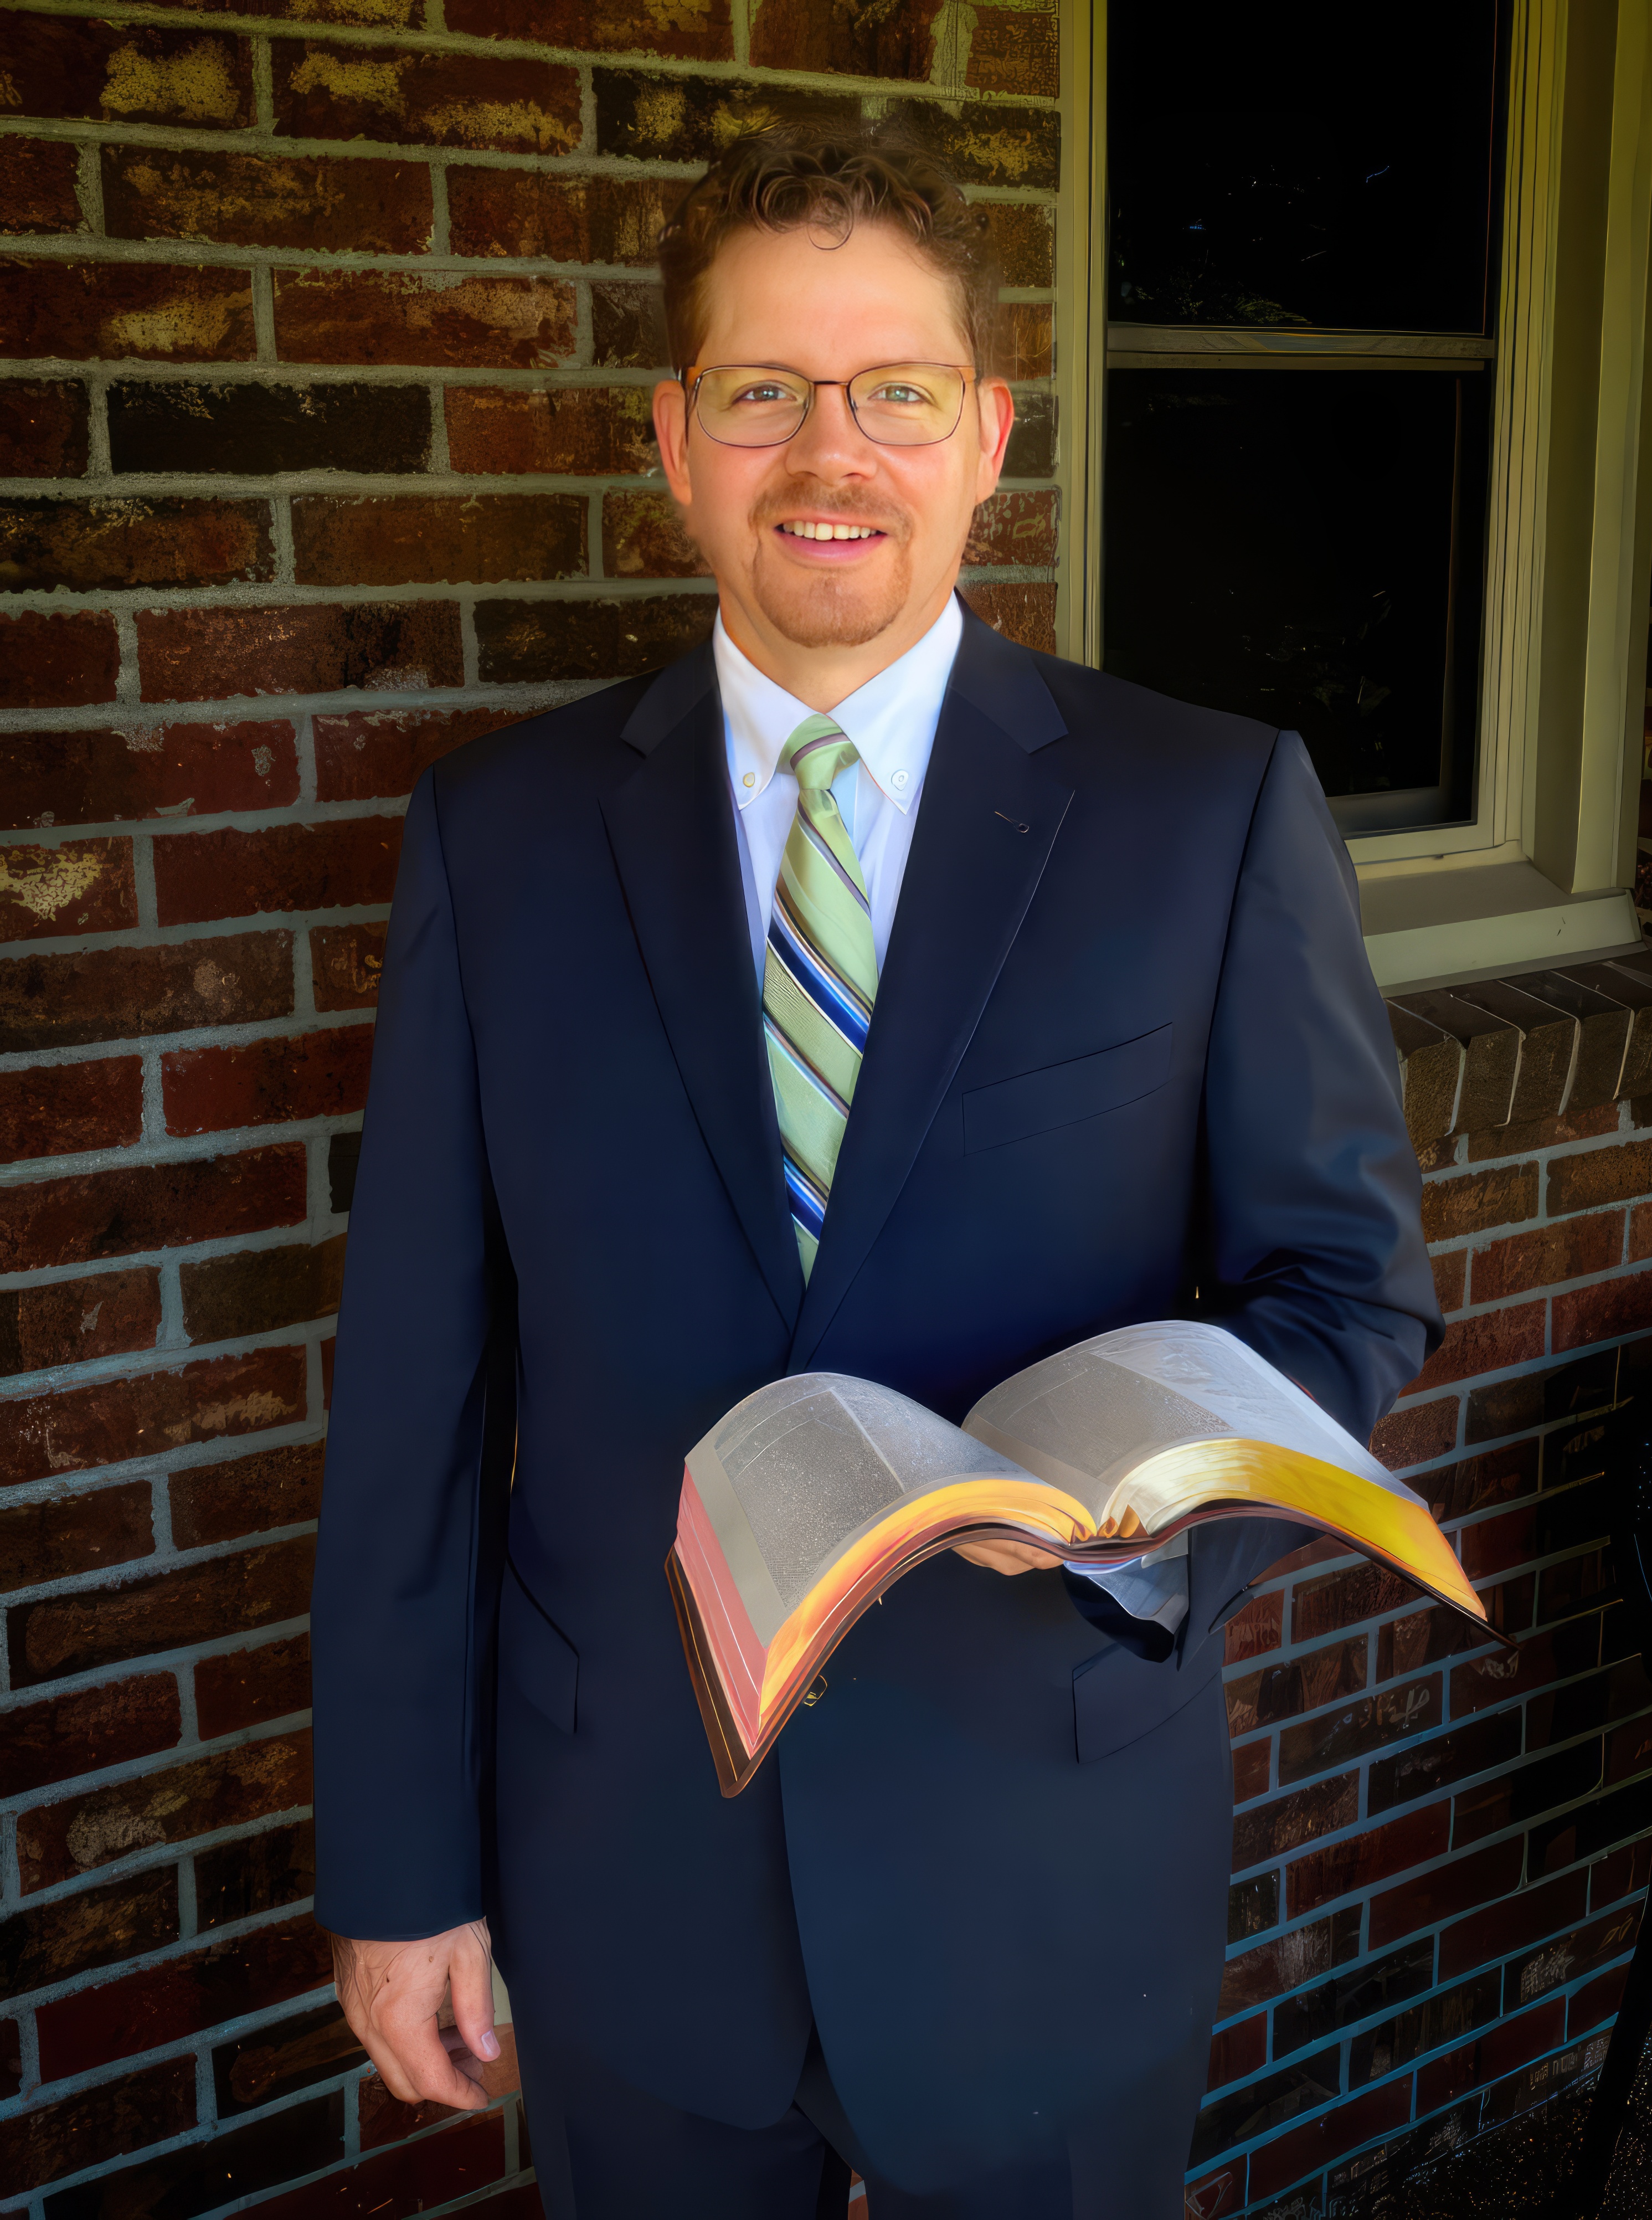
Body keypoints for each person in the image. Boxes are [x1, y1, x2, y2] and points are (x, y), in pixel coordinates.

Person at [311, 124, 1440, 2218]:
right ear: (674, 438)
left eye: (895, 392)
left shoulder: (1205, 811)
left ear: (988, 434)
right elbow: (412, 1396)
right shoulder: (501, 834)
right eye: (763, 392)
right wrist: (400, 1875)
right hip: (626, 1855)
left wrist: (1139, 1532)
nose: (831, 455)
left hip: (1045, 1867)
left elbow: (1343, 1285)